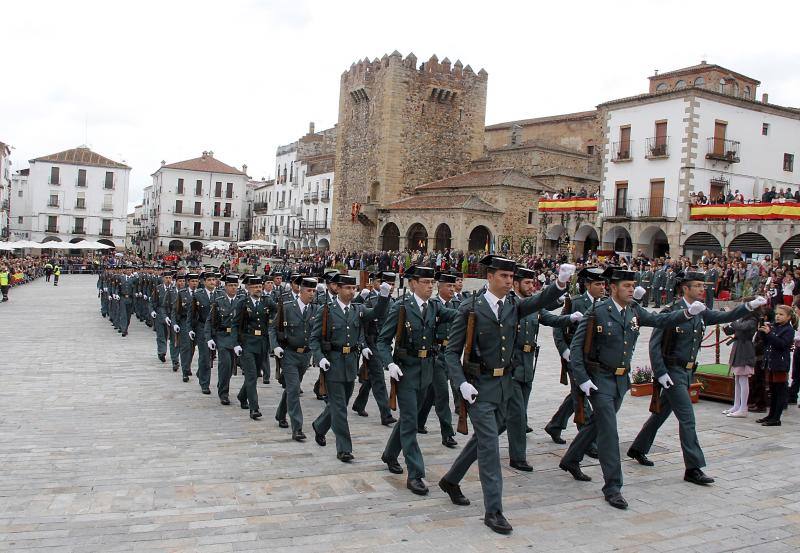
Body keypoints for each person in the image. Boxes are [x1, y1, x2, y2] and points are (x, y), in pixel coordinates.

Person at [439, 255, 574, 534]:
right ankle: (494, 511)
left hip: (506, 386)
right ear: (489, 277)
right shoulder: (471, 308)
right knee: (490, 447)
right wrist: (461, 384)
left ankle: (451, 479)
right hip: (479, 388)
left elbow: (536, 302)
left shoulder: (513, 305)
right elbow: (451, 352)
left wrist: (560, 283)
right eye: (503, 276)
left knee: (485, 439)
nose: (509, 281)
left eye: (511, 277)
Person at [559, 269, 705, 510]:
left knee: (598, 423)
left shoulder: (633, 311)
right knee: (609, 431)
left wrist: (687, 313)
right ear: (613, 288)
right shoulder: (597, 311)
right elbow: (576, 348)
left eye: (631, 285)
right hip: (599, 379)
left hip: (619, 381)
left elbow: (661, 320)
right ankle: (613, 486)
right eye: (626, 285)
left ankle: (571, 459)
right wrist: (583, 379)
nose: (630, 289)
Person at [627, 271, 763, 486]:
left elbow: (724, 317)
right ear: (685, 289)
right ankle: (693, 468)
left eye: (703, 286)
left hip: (688, 371)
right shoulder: (672, 311)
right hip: (672, 372)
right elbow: (655, 345)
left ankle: (637, 448)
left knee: (661, 414)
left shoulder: (700, 311)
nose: (702, 289)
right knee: (688, 419)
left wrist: (749, 306)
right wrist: (660, 373)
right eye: (698, 285)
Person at [379, 266, 459, 493]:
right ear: (413, 284)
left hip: (427, 371)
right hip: (405, 372)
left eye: (432, 282)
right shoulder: (401, 307)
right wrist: (390, 364)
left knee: (408, 419)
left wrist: (475, 307)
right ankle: (415, 474)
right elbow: (383, 341)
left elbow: (454, 315)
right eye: (425, 282)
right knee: (411, 422)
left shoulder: (434, 307)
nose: (430, 286)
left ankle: (389, 454)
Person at [311, 274, 390, 462]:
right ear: (337, 289)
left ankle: (320, 426)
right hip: (333, 363)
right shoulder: (326, 310)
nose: (351, 291)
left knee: (340, 404)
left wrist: (384, 297)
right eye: (347, 288)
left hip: (351, 364)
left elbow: (375, 314)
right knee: (340, 409)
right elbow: (314, 339)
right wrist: (320, 358)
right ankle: (344, 448)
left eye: (353, 288)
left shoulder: (358, 309)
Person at [506, 265, 576, 472]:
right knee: (518, 414)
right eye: (526, 283)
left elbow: (550, 319)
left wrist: (570, 319)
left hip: (528, 364)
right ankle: (517, 457)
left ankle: (487, 439)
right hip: (513, 364)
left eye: (532, 283)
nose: (531, 286)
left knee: (513, 414)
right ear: (516, 283)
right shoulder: (512, 304)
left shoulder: (533, 305)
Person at [547, 267, 606, 448]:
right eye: (598, 284)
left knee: (578, 392)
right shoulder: (575, 303)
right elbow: (558, 327)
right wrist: (564, 351)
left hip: (595, 359)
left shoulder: (605, 304)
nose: (602, 287)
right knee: (581, 396)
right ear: (587, 285)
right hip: (575, 356)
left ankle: (555, 425)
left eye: (604, 284)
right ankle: (587, 441)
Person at [271, 277, 320, 441]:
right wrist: (275, 346)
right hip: (289, 354)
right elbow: (273, 329)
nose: (312, 294)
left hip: (305, 355)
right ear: (300, 290)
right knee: (293, 389)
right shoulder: (287, 308)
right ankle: (297, 427)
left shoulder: (316, 310)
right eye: (309, 290)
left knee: (292, 387)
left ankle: (280, 414)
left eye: (314, 291)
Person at [417, 271, 460, 446]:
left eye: (453, 285)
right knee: (442, 394)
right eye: (448, 286)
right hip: (435, 355)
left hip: (451, 353)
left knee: (431, 393)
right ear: (439, 287)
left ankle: (419, 421)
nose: (452, 288)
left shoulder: (458, 304)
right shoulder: (432, 305)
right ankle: (447, 433)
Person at [351, 272, 397, 426]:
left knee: (372, 378)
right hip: (372, 343)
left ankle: (359, 403)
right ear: (376, 283)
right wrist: (363, 345)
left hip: (384, 344)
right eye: (386, 282)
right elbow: (361, 325)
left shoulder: (393, 300)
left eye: (392, 283)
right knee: (378, 378)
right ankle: (386, 414)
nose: (390, 286)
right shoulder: (369, 300)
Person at [233, 276, 276, 420]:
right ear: (248, 289)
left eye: (260, 286)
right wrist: (236, 344)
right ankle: (254, 408)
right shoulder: (242, 303)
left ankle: (241, 395)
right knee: (251, 376)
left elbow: (277, 313)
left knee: (255, 373)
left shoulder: (267, 301)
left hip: (262, 344)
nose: (258, 289)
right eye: (255, 287)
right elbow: (235, 325)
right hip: (247, 343)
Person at [756, 304, 796, 426]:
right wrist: (762, 331)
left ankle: (776, 418)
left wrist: (769, 334)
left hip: (780, 364)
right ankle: (770, 415)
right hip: (771, 363)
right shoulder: (775, 326)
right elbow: (766, 341)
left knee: (779, 391)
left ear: (789, 317)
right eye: (777, 314)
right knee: (772, 391)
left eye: (781, 314)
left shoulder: (788, 330)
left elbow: (781, 344)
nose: (778, 316)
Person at [206, 274, 242, 405]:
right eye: (231, 286)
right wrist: (209, 338)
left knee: (232, 365)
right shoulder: (219, 301)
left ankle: (226, 386)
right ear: (225, 287)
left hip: (237, 338)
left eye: (235, 285)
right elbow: (210, 321)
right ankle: (223, 393)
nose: (233, 288)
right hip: (223, 337)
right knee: (225, 365)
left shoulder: (241, 300)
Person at [722, 304, 761, 417]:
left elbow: (741, 327)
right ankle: (736, 405)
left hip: (745, 349)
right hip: (738, 348)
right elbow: (729, 330)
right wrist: (725, 319)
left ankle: (743, 408)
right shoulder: (743, 318)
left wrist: (731, 317)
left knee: (743, 379)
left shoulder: (753, 319)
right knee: (737, 378)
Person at [193, 271, 219, 395]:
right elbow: (192, 315)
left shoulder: (220, 294)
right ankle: (205, 383)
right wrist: (190, 329)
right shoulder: (198, 295)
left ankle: (201, 372)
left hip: (217, 328)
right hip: (202, 327)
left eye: (214, 280)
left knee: (213, 356)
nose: (212, 282)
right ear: (204, 282)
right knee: (205, 356)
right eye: (209, 280)